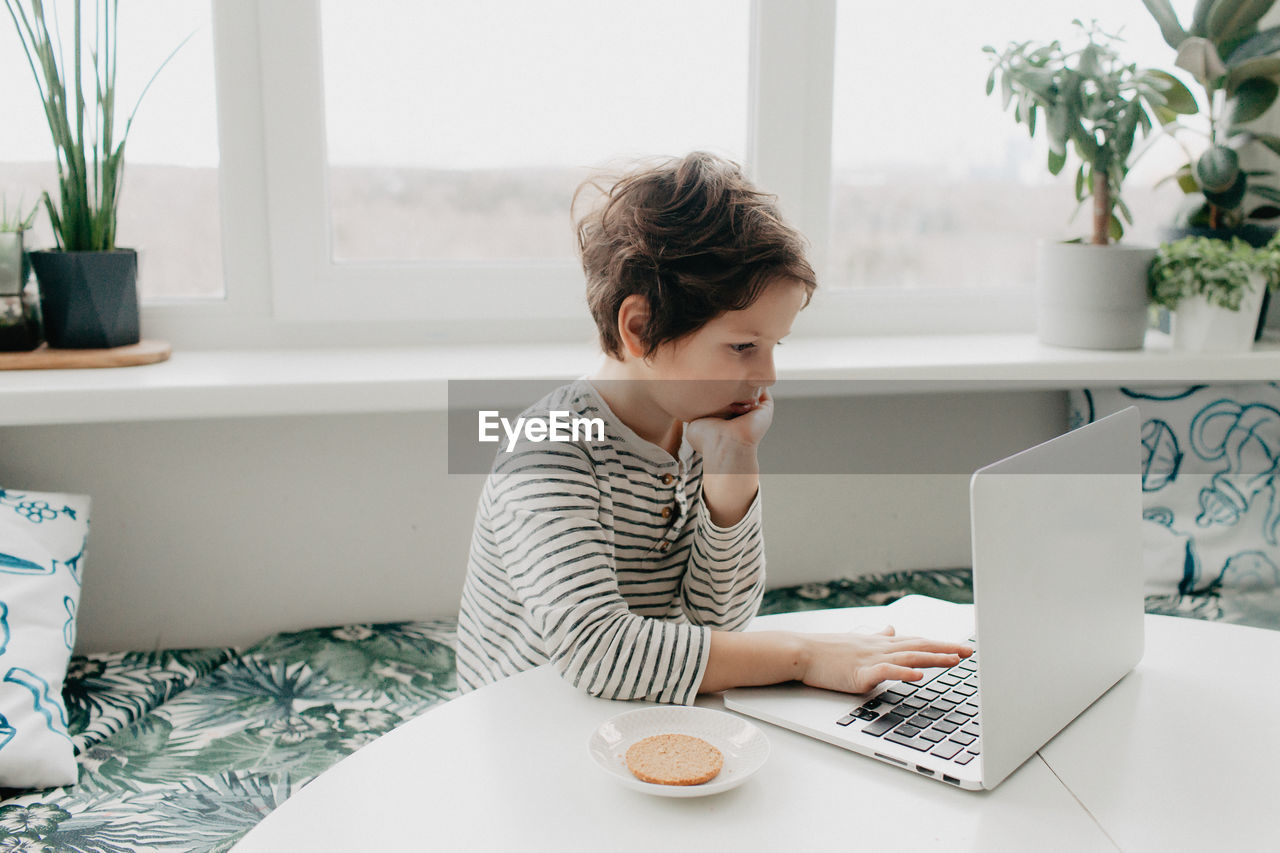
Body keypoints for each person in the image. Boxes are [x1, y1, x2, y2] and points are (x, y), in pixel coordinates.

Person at [455, 151, 971, 704]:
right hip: (528, 719)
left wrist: (732, 469)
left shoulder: (701, 423)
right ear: (641, 327)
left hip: (631, 709)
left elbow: (719, 618)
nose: (768, 375)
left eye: (774, 347)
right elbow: (599, 652)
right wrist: (805, 654)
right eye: (744, 346)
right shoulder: (547, 450)